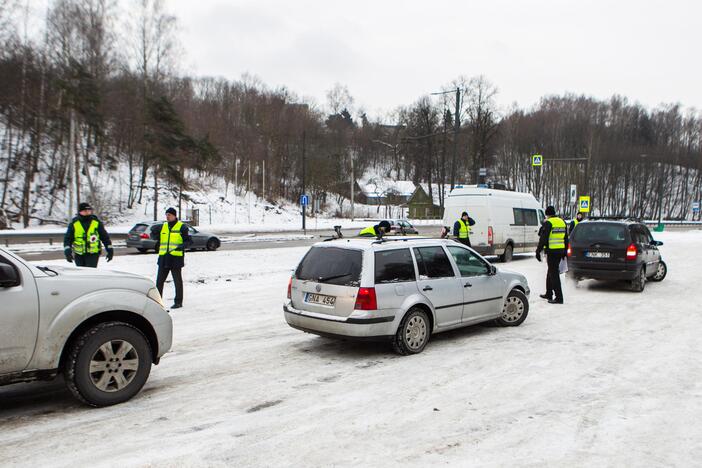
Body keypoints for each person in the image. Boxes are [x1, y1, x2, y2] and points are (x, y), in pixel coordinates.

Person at [151, 207, 192, 309]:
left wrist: (182, 246)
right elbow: (155, 236)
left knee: (177, 281)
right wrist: (153, 233)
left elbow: (189, 241)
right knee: (159, 282)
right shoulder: (163, 226)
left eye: (169, 215)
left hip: (175, 259)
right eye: (166, 215)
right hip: (164, 258)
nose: (167, 217)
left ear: (174, 216)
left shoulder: (182, 227)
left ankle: (178, 302)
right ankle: (158, 303)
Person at [535, 205, 569, 304]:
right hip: (560, 251)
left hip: (552, 252)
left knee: (554, 274)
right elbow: (566, 238)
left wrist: (538, 251)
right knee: (550, 272)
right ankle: (549, 293)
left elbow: (543, 239)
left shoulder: (549, 223)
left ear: (547, 214)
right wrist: (565, 251)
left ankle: (559, 297)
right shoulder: (562, 222)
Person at [63, 202, 113, 268]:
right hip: (79, 254)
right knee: (81, 274)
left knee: (90, 273)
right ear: (80, 212)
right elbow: (67, 239)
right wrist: (67, 251)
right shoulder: (74, 223)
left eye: (89, 210)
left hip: (93, 254)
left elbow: (105, 238)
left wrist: (110, 250)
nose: (87, 212)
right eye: (85, 211)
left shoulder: (96, 223)